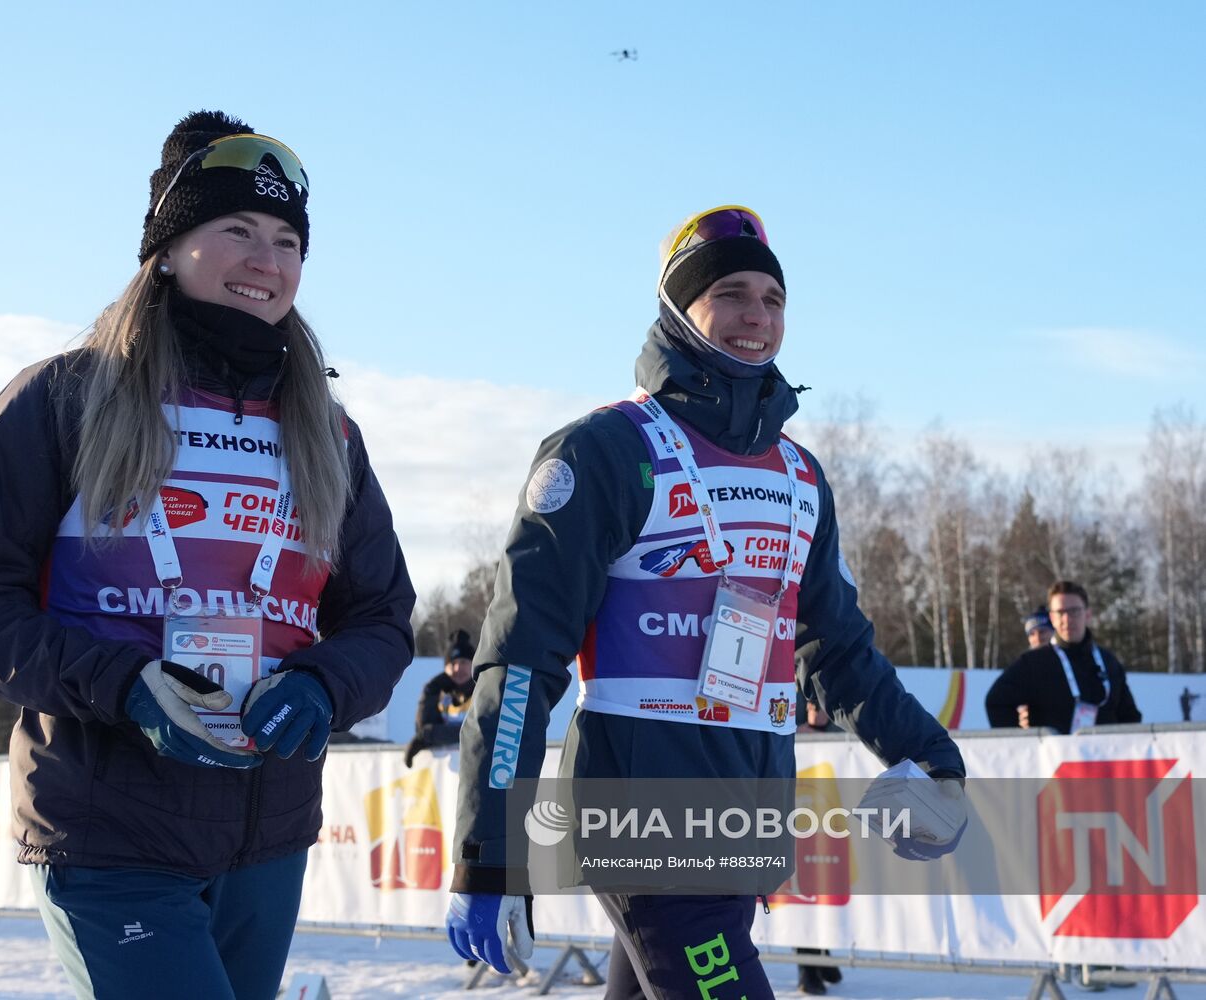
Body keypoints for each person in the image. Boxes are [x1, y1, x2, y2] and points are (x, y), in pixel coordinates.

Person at [0, 111, 415, 1000]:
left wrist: (322, 686)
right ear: (168, 248)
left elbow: (380, 618)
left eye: (287, 240)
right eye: (236, 231)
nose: (267, 260)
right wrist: (122, 685)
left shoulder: (327, 434)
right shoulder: (62, 401)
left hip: (269, 834)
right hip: (110, 830)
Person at [444, 205, 967, 998]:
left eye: (773, 298)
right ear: (679, 309)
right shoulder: (607, 449)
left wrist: (931, 756)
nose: (756, 317)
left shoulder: (799, 475)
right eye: (730, 293)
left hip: (745, 808)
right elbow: (521, 658)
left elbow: (836, 648)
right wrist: (491, 848)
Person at [986, 581, 1141, 733]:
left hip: (1105, 756)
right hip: (1056, 758)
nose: (1067, 620)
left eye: (1074, 611)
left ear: (1087, 614)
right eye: (1060, 612)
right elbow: (996, 702)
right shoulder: (1034, 663)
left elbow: (1130, 717)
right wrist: (1025, 743)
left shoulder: (1108, 661)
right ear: (1052, 618)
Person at [793, 689, 843, 996]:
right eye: (810, 704)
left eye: (819, 704)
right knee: (803, 897)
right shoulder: (794, 732)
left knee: (827, 896)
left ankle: (822, 957)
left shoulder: (840, 738)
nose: (814, 709)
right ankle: (807, 968)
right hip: (798, 825)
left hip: (831, 828)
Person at [404, 628, 477, 767]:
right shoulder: (442, 697)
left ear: (473, 665)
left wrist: (430, 735)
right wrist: (431, 690)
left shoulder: (482, 692)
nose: (457, 669)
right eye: (453, 663)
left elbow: (476, 733)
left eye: (463, 662)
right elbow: (423, 728)